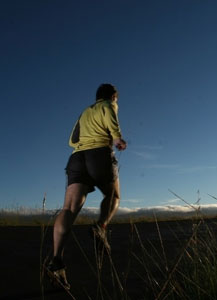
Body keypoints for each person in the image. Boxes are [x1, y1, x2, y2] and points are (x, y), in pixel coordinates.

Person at [46, 83, 127, 289]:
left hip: (77, 157)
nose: (115, 102)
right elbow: (111, 117)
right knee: (114, 196)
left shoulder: (85, 112)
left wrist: (84, 143)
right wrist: (117, 139)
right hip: (99, 154)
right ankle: (100, 227)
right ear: (112, 96)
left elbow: (72, 140)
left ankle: (56, 263)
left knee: (69, 209)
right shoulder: (109, 105)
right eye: (115, 99)